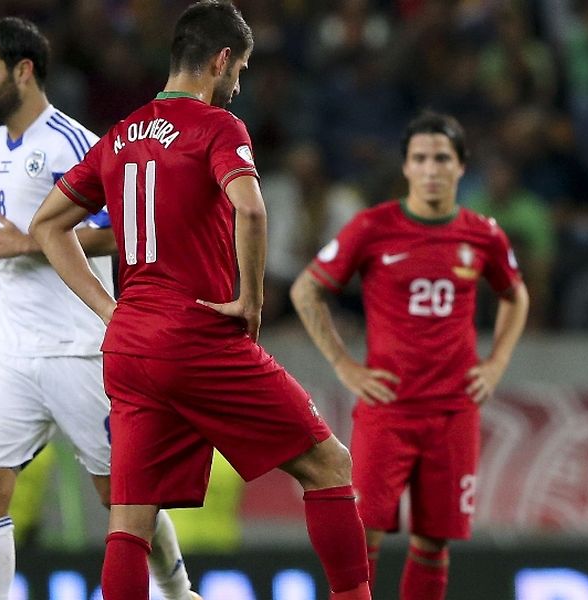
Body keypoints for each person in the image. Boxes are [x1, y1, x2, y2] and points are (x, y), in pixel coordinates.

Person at [28, 3, 371, 599]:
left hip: (130, 345)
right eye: (240, 68)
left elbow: (47, 226)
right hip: (196, 334)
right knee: (329, 465)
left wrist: (109, 310)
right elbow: (253, 208)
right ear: (221, 60)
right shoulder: (218, 128)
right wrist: (251, 301)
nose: (238, 83)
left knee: (129, 520)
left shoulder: (120, 135)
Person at [0, 18, 197, 600]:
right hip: (11, 349)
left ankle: (176, 590)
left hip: (79, 346)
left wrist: (23, 242)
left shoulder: (72, 142)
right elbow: (15, 234)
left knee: (121, 496)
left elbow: (121, 231)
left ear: (23, 71)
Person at [290, 111, 530, 600]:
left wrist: (497, 362)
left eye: (442, 158)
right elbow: (307, 290)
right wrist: (344, 364)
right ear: (405, 167)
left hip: (453, 409)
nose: (431, 168)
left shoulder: (482, 233)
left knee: (434, 540)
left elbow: (515, 295)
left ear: (461, 167)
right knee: (365, 532)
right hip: (389, 408)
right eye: (420, 158)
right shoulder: (374, 227)